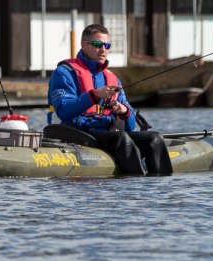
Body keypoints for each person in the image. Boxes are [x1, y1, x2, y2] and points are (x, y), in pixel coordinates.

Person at [48, 24, 172, 176]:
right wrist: (94, 95)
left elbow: (130, 127)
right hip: (78, 133)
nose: (103, 50)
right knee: (122, 139)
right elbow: (64, 111)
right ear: (84, 45)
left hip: (108, 134)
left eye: (107, 45)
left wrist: (124, 111)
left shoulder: (112, 79)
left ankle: (160, 189)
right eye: (98, 45)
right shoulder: (64, 73)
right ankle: (137, 187)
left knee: (155, 138)